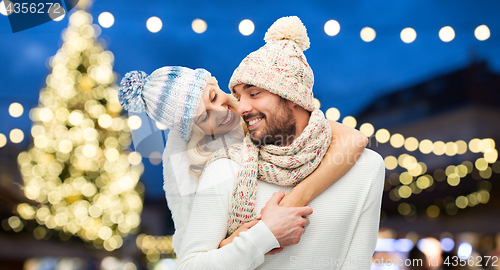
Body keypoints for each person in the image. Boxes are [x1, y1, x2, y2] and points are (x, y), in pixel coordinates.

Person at [174, 16, 385, 269]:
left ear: (292, 96)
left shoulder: (366, 167)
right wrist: (263, 235)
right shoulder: (225, 168)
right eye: (239, 97)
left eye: (254, 94)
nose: (241, 107)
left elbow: (357, 264)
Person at [118, 66, 369, 255]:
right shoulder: (200, 165)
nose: (221, 112)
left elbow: (354, 139)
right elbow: (197, 252)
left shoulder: (262, 114)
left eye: (214, 97)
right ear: (193, 130)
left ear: (215, 84)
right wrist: (248, 237)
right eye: (204, 117)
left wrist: (292, 203)